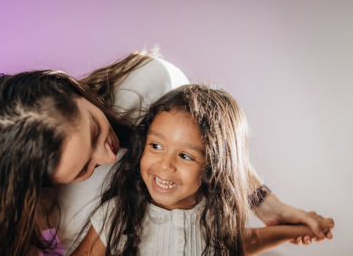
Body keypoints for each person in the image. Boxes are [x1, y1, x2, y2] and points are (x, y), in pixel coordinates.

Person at [0, 51, 332, 255]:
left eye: (97, 130)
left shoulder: (148, 82)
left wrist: (268, 207)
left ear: (71, 90)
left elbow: (209, 143)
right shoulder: (32, 209)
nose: (107, 157)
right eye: (83, 168)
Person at [73, 85, 334, 256]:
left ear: (213, 166)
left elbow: (247, 241)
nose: (165, 165)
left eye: (185, 155)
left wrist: (301, 229)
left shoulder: (215, 214)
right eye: (156, 146)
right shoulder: (118, 213)